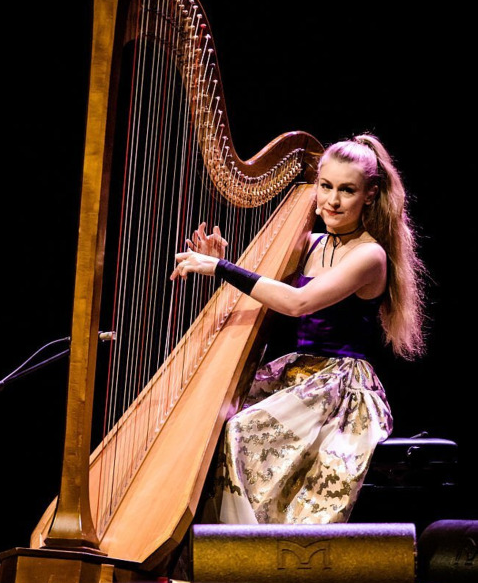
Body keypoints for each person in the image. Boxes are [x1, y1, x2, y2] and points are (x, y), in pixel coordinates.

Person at [171, 134, 427, 525]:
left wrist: (223, 270)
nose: (332, 201)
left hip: (339, 385)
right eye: (325, 186)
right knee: (206, 418)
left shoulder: (369, 255)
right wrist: (225, 262)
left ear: (370, 195)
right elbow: (265, 288)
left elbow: (297, 303)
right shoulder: (308, 242)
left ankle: (250, 552)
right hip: (295, 374)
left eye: (347, 190)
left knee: (242, 432)